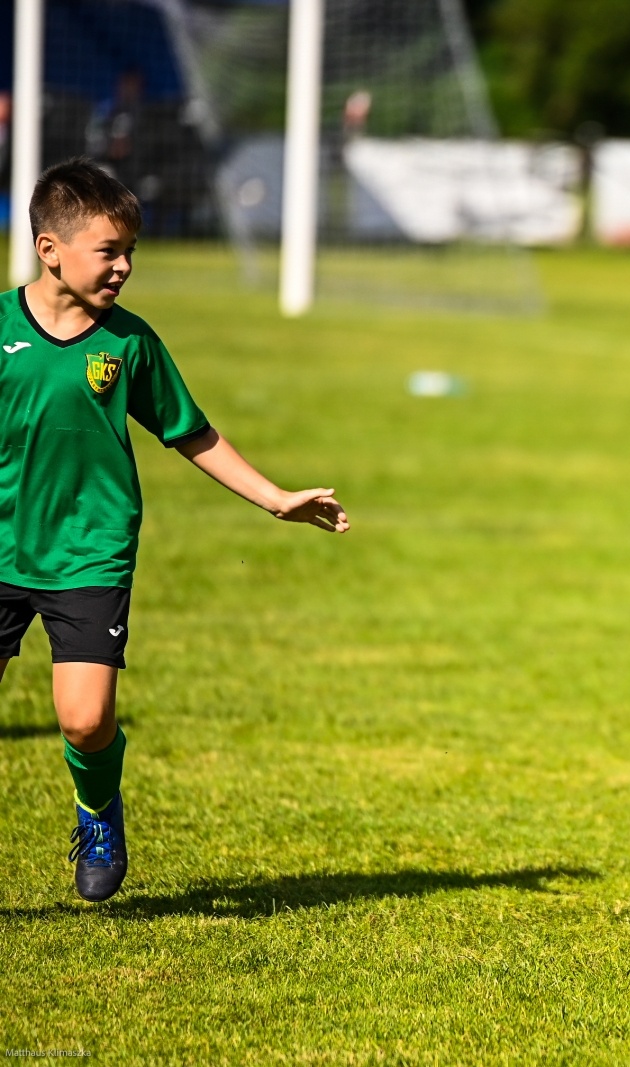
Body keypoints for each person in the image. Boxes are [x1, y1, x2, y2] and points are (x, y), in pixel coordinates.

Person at [2, 159, 349, 902]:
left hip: (90, 551)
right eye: (109, 250)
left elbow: (190, 432)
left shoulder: (129, 344)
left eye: (131, 252)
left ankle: (97, 807)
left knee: (86, 719)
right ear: (49, 248)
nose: (124, 266)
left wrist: (275, 498)